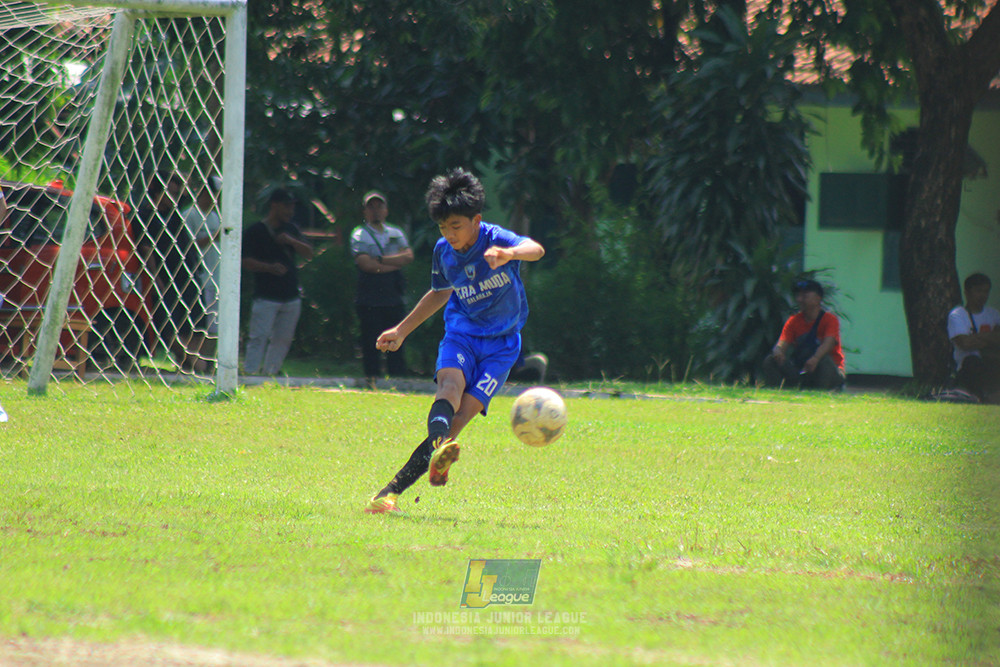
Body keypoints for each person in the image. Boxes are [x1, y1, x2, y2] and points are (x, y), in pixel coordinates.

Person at [365, 167, 545, 514]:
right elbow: (439, 293)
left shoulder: (496, 238)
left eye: (456, 226)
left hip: (502, 346)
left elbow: (535, 249)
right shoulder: (443, 252)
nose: (449, 234)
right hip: (462, 334)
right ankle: (389, 494)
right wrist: (401, 330)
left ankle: (415, 472)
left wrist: (510, 255)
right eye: (443, 227)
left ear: (476, 220)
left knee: (459, 420)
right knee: (448, 388)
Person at [135, 171, 205, 371]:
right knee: (167, 323)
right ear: (157, 192)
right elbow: (146, 250)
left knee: (194, 322)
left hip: (188, 274)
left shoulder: (174, 214)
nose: (175, 198)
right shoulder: (145, 216)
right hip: (165, 277)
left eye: (177, 194)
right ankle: (195, 365)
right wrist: (156, 279)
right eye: (170, 193)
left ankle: (188, 364)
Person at [241, 188, 314, 376]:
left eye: (291, 207)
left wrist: (291, 241)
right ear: (274, 205)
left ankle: (271, 373)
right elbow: (245, 261)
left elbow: (309, 253)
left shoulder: (291, 229)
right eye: (286, 206)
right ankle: (250, 372)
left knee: (283, 338)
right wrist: (269, 267)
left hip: (290, 295)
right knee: (259, 337)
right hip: (266, 295)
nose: (290, 211)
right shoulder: (256, 231)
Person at [349, 190, 414, 388]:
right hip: (369, 296)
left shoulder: (396, 233)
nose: (376, 211)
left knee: (397, 336)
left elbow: (408, 256)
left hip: (393, 295)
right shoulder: (360, 234)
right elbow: (365, 264)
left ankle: (398, 380)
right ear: (365, 211)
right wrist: (394, 263)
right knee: (370, 339)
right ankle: (372, 380)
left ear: (386, 210)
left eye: (379, 206)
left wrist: (380, 261)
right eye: (371, 207)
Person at [761, 279, 846, 390]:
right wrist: (778, 351)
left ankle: (821, 393)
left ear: (818, 298)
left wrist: (815, 358)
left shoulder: (830, 319)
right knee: (771, 360)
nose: (800, 299)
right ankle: (778, 392)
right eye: (798, 296)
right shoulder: (794, 321)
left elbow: (828, 343)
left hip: (827, 370)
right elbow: (782, 342)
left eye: (805, 295)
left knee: (824, 360)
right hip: (802, 370)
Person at [182, 176, 222, 362]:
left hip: (216, 277)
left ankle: (208, 363)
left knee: (215, 325)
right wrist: (214, 236)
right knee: (200, 324)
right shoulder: (189, 214)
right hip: (199, 277)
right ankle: (192, 362)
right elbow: (187, 246)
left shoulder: (214, 216)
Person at [948, 272, 1000, 402]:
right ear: (967, 292)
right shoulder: (958, 315)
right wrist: (991, 338)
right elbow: (964, 343)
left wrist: (978, 337)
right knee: (972, 361)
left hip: (991, 362)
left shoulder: (994, 314)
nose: (983, 296)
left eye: (986, 291)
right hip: (968, 367)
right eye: (978, 291)